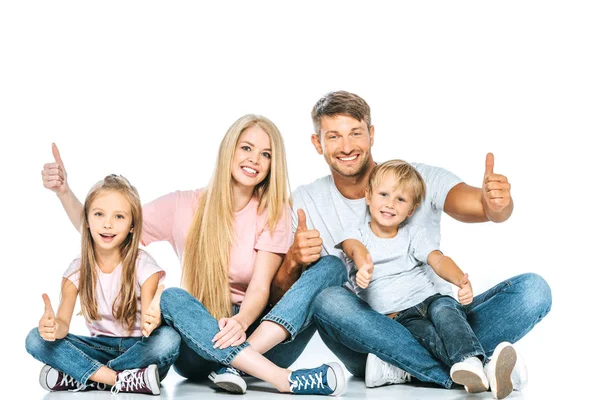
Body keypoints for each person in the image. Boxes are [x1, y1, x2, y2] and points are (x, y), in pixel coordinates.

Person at [270, 91, 552, 398]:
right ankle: (469, 364)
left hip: (438, 315)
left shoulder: (415, 178)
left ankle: (412, 368)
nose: (347, 146)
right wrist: (293, 262)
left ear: (372, 134)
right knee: (327, 300)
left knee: (534, 291)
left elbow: (482, 207)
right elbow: (280, 298)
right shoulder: (305, 202)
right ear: (317, 143)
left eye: (355, 133)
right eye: (334, 136)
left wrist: (495, 204)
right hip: (371, 338)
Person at [41, 115, 347, 396]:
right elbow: (106, 230)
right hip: (199, 341)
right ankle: (281, 379)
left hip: (257, 333)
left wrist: (241, 322)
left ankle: (235, 364)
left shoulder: (273, 211)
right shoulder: (182, 205)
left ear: (273, 165)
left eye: (266, 154)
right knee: (172, 296)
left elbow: (260, 286)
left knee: (332, 265)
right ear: (229, 149)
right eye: (247, 148)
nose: (255, 159)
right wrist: (63, 192)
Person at [338, 159, 517, 398]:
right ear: (368, 196)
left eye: (400, 199)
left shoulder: (413, 234)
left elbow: (438, 260)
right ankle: (486, 367)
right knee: (430, 338)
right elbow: (353, 249)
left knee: (447, 314)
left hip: (431, 298)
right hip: (400, 317)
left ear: (410, 210)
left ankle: (472, 365)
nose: (390, 204)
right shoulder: (357, 233)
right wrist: (363, 266)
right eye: (383, 194)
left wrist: (460, 280)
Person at [25, 174, 181, 395]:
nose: (107, 224)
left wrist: (154, 320)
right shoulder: (75, 271)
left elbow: (150, 328)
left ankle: (86, 376)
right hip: (98, 349)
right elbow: (62, 325)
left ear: (132, 226)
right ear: (87, 221)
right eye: (99, 214)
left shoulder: (145, 266)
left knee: (169, 339)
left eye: (119, 216)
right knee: (35, 338)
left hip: (138, 349)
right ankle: (117, 379)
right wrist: (52, 328)